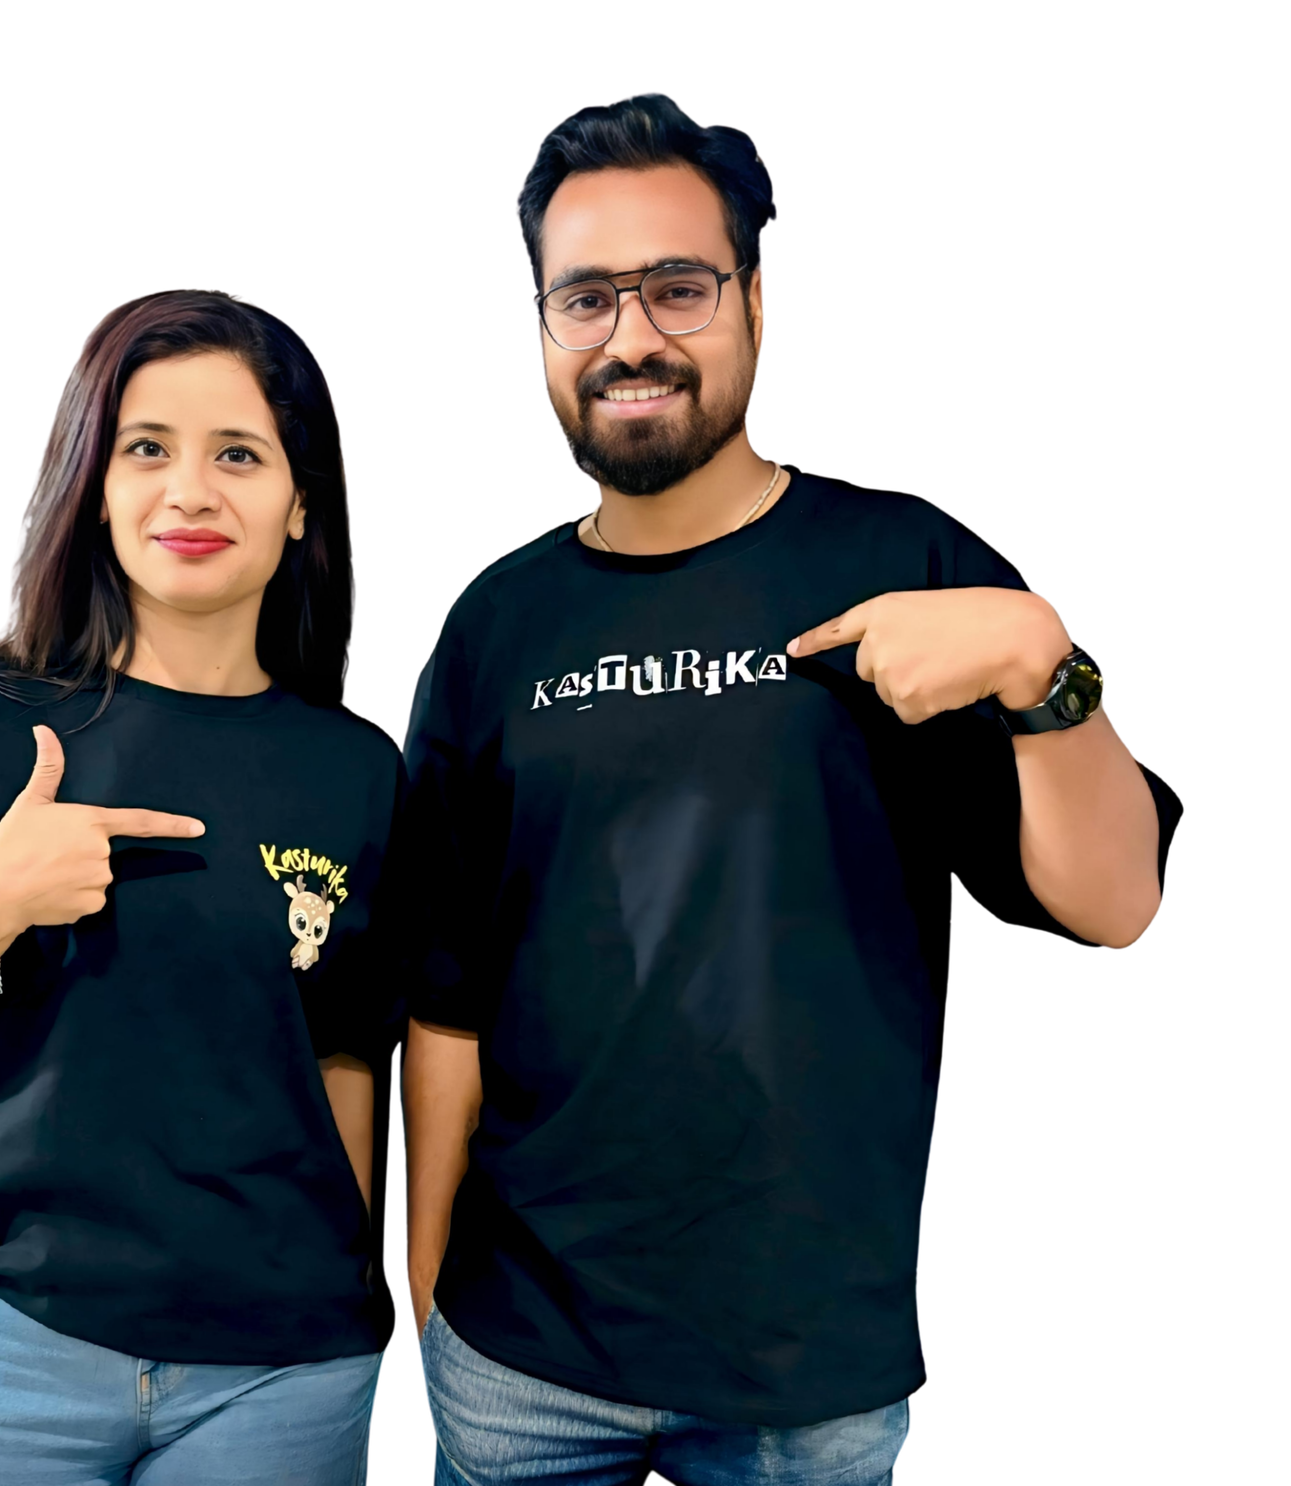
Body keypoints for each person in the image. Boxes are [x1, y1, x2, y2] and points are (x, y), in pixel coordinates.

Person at [398, 92, 1183, 1485]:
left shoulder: (910, 561)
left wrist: (1046, 667)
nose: (630, 335)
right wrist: (422, 1297)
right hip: (516, 1365)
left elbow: (1120, 906)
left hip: (804, 1379)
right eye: (584, 298)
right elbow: (443, 996)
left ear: (757, 299)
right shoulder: (490, 625)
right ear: (538, 327)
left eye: (678, 288)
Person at [0, 288, 404, 1485]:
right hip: (14, 1344)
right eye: (147, 448)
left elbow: (346, 1055)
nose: (190, 490)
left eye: (238, 453)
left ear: (300, 504)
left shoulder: (361, 772)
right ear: (91, 480)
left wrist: (362, 1285)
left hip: (281, 1369)